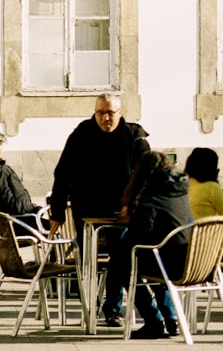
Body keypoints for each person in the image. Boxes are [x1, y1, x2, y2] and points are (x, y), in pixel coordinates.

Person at [47, 92, 150, 327]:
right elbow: (62, 173)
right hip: (88, 211)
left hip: (122, 213)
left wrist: (137, 208)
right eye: (100, 113)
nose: (105, 118)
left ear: (120, 113)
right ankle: (90, 305)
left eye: (110, 113)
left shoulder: (133, 137)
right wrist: (58, 212)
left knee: (120, 257)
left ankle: (112, 308)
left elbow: (146, 176)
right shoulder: (82, 134)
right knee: (88, 259)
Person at [102, 151, 185, 339]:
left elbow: (141, 233)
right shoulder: (181, 190)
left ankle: (153, 319)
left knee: (122, 263)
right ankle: (171, 318)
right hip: (187, 259)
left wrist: (130, 217)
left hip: (165, 260)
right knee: (151, 261)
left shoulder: (151, 194)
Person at [185, 147, 223, 262]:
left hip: (189, 247)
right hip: (210, 248)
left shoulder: (185, 185)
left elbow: (205, 202)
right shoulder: (212, 188)